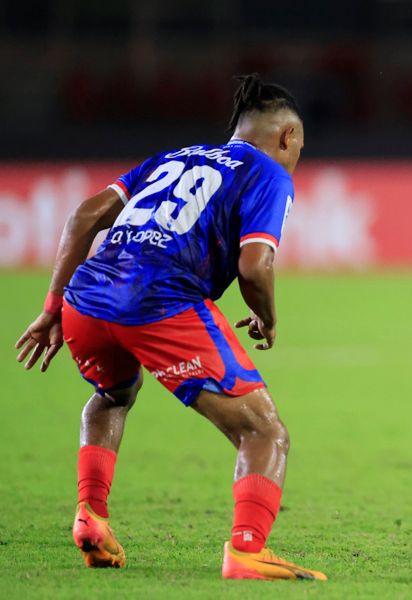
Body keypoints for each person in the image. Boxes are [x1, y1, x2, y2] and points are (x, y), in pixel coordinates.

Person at [15, 74, 327, 582]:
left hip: (86, 298)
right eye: (299, 150)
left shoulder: (172, 157)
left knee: (113, 393)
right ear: (288, 138)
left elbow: (83, 215)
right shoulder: (269, 173)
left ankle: (90, 515)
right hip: (161, 300)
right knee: (264, 431)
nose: (296, 159)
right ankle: (247, 550)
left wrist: (52, 307)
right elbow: (254, 266)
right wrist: (268, 316)